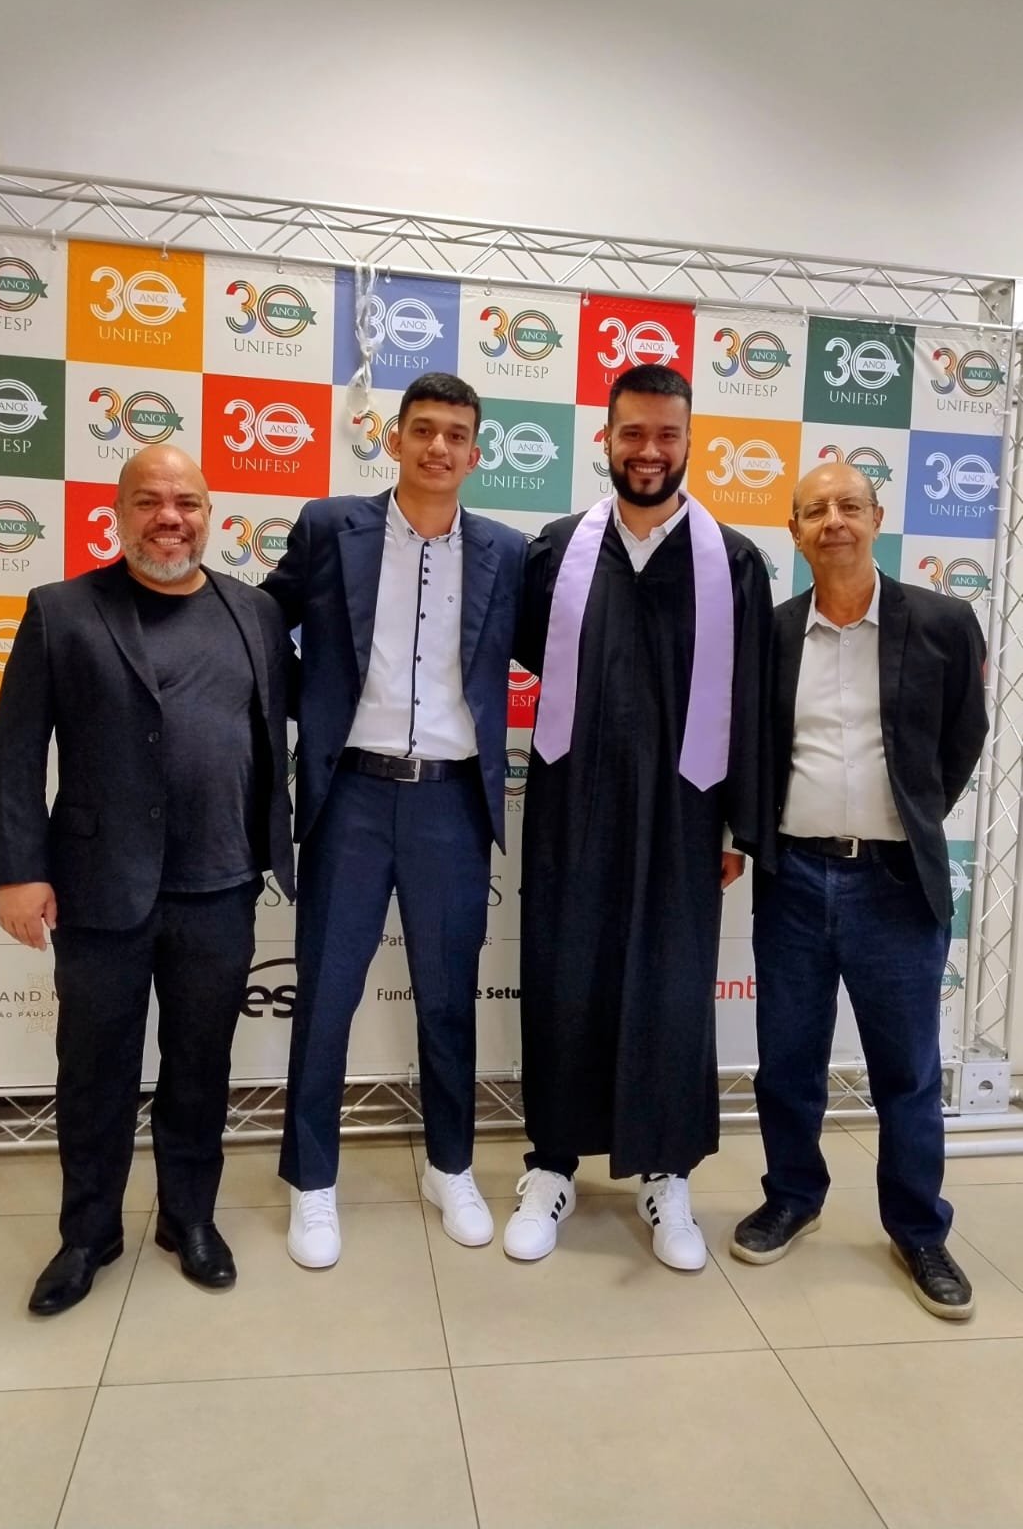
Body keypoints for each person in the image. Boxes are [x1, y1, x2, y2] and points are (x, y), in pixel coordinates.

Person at [0, 445, 295, 1314]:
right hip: (98, 887)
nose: (170, 518)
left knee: (200, 1066)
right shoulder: (61, 610)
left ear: (209, 514)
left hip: (221, 884)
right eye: (150, 501)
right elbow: (14, 751)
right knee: (95, 1072)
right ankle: (88, 1235)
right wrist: (18, 871)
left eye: (186, 502)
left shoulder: (255, 613)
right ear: (117, 514)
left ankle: (187, 1219)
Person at [504, 364, 773, 1267]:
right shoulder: (556, 552)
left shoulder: (732, 561)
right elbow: (517, 655)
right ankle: (551, 1164)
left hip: (684, 812)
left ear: (689, 441)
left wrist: (736, 828)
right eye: (632, 434)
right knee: (562, 974)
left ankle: (666, 1175)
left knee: (670, 985)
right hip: (571, 802)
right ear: (606, 439)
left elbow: (751, 699)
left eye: (666, 434)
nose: (648, 451)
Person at [262, 372, 526, 1267]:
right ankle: (312, 1181)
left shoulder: (506, 552)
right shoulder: (329, 527)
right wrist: (311, 703)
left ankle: (451, 1166)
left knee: (448, 998)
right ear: (395, 439)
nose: (437, 447)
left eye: (455, 434)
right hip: (351, 796)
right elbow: (260, 624)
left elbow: (555, 649)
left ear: (475, 453)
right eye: (422, 429)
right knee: (326, 995)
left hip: (452, 800)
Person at [731, 461, 987, 1320]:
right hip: (794, 879)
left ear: (876, 518)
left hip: (894, 882)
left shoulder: (942, 623)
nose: (833, 521)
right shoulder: (771, 634)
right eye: (815, 511)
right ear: (794, 532)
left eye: (848, 506)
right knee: (787, 1062)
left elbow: (961, 740)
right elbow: (753, 751)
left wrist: (906, 818)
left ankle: (917, 1229)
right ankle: (791, 1197)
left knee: (905, 1072)